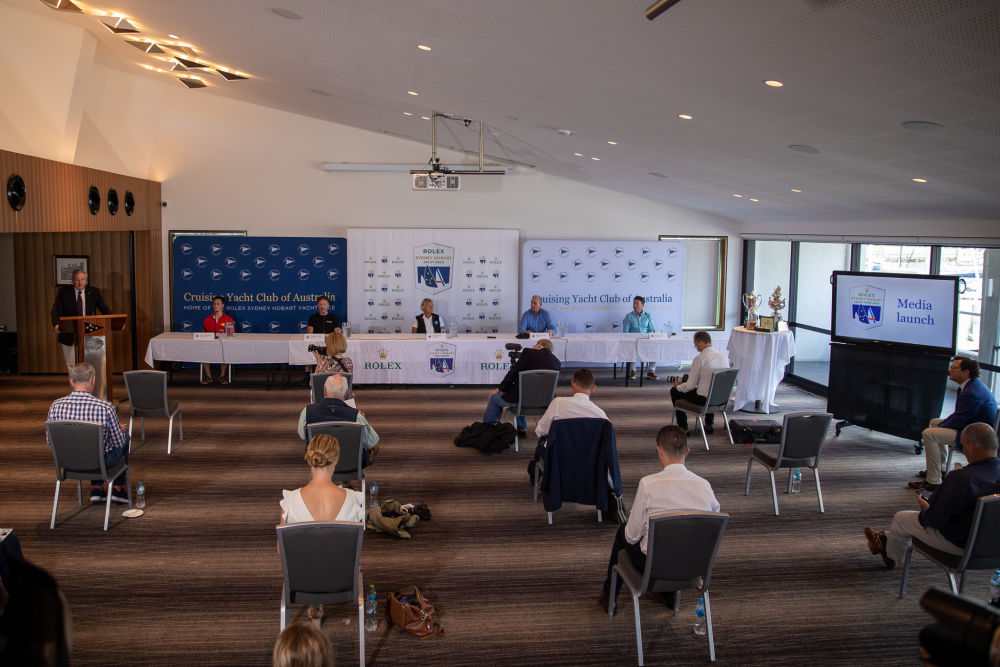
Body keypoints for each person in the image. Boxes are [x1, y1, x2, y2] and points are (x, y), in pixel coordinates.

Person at [598, 425, 720, 614]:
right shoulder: (705, 486)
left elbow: (631, 537)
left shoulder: (648, 485)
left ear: (659, 450)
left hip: (654, 567)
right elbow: (711, 527)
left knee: (623, 531)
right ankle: (667, 594)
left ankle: (609, 596)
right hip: (694, 566)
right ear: (687, 451)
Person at [865, 422, 1000, 570]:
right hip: (995, 549)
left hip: (962, 548)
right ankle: (885, 539)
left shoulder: (961, 478)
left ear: (972, 447)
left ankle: (890, 554)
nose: (964, 451)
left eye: (963, 446)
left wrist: (925, 509)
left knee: (901, 519)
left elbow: (933, 520)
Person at [280, 433, 364, 624]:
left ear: (309, 459)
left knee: (311, 552)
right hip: (342, 581)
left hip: (301, 581)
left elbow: (281, 549)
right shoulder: (353, 500)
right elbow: (354, 551)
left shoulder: (290, 501)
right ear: (337, 459)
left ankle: (316, 605)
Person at [909, 356, 997, 491]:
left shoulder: (972, 392)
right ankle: (941, 468)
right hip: (969, 426)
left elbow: (960, 419)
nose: (950, 370)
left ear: (966, 372)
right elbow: (959, 416)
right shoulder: (970, 386)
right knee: (934, 423)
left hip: (975, 436)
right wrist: (941, 425)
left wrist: (942, 426)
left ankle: (933, 480)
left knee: (929, 433)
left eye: (954, 368)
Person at [46, 363, 130, 503]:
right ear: (93, 380)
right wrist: (115, 428)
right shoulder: (105, 407)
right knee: (124, 438)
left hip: (67, 463)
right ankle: (117, 489)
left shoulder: (55, 406)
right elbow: (118, 442)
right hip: (99, 464)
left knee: (93, 444)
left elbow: (50, 440)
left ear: (71, 381)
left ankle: (96, 489)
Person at [530, 368, 608, 478]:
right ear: (593, 387)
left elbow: (540, 431)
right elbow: (606, 445)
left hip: (558, 459)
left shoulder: (558, 404)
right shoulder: (602, 416)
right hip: (589, 462)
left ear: (572, 383)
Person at [483, 338, 561, 436]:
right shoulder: (557, 362)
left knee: (495, 399)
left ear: (539, 345)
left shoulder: (529, 353)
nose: (534, 346)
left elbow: (513, 373)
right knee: (523, 391)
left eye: (535, 344)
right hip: (545, 402)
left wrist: (499, 389)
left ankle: (487, 429)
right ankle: (521, 428)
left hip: (521, 401)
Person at [298, 375, 379, 466]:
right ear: (346, 393)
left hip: (319, 462)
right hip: (350, 464)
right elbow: (372, 441)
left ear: (325, 390)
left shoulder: (307, 411)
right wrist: (362, 421)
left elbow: (303, 435)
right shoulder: (356, 416)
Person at [669, 330, 730, 435]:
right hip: (721, 399)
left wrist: (678, 386)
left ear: (701, 342)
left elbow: (690, 386)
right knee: (710, 388)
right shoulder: (723, 357)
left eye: (696, 344)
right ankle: (709, 424)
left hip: (704, 400)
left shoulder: (699, 359)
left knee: (674, 391)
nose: (696, 348)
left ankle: (683, 427)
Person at [50, 268, 111, 371]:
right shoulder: (64, 292)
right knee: (72, 364)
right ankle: (74, 382)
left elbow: (104, 309)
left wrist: (114, 322)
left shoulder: (94, 292)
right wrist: (56, 324)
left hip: (89, 333)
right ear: (73, 281)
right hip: (68, 334)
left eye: (82, 280)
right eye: (77, 280)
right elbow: (56, 310)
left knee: (89, 364)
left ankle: (88, 382)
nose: (80, 283)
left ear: (86, 281)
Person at [622, 295, 658, 380]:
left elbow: (651, 330)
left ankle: (651, 371)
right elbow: (626, 332)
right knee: (632, 347)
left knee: (655, 348)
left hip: (646, 340)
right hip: (633, 341)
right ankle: (633, 370)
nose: (634, 305)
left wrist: (650, 338)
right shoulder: (629, 316)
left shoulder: (648, 316)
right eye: (634, 303)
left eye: (637, 304)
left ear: (642, 305)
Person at [202, 295, 235, 385]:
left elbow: (230, 335)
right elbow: (204, 335)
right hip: (210, 346)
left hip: (223, 345)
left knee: (226, 352)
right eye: (214, 304)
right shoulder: (207, 320)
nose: (216, 306)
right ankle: (208, 376)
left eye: (218, 304)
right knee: (202, 353)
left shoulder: (228, 319)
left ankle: (222, 376)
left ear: (222, 305)